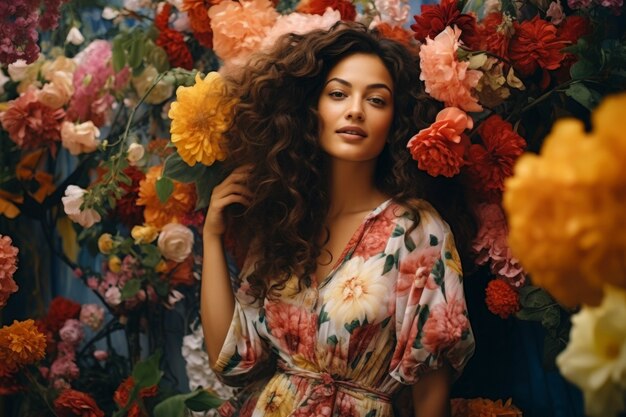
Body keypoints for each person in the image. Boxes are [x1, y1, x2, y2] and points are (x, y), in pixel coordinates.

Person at [201, 22, 475, 417]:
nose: (355, 111)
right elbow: (232, 361)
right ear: (310, 109)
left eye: (377, 100)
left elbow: (431, 387)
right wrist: (211, 236)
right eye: (338, 94)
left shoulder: (416, 231)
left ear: (395, 122)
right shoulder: (286, 221)